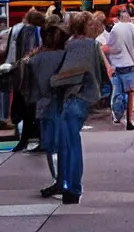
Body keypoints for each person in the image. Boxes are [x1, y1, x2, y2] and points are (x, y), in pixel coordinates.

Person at [54, 12, 104, 204]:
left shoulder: (72, 44)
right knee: (73, 145)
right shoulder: (91, 45)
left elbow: (68, 73)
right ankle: (73, 187)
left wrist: (55, 82)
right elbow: (98, 72)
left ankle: (70, 187)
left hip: (71, 98)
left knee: (68, 146)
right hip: (83, 98)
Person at [27, 24, 70, 198]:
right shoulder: (67, 57)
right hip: (64, 103)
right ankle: (65, 180)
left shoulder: (35, 60)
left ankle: (57, 180)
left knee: (50, 146)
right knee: (65, 144)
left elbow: (30, 86)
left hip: (44, 104)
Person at [11, 9, 46, 152]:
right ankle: (34, 139)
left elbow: (24, 54)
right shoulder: (35, 31)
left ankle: (25, 140)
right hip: (33, 76)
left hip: (24, 75)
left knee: (27, 110)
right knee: (33, 109)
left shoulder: (24, 31)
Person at [104, 9, 134, 130]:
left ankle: (117, 116)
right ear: (128, 18)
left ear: (119, 17)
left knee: (117, 92)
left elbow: (111, 46)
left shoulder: (115, 29)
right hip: (130, 64)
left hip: (117, 65)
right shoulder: (132, 28)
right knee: (130, 93)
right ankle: (129, 121)